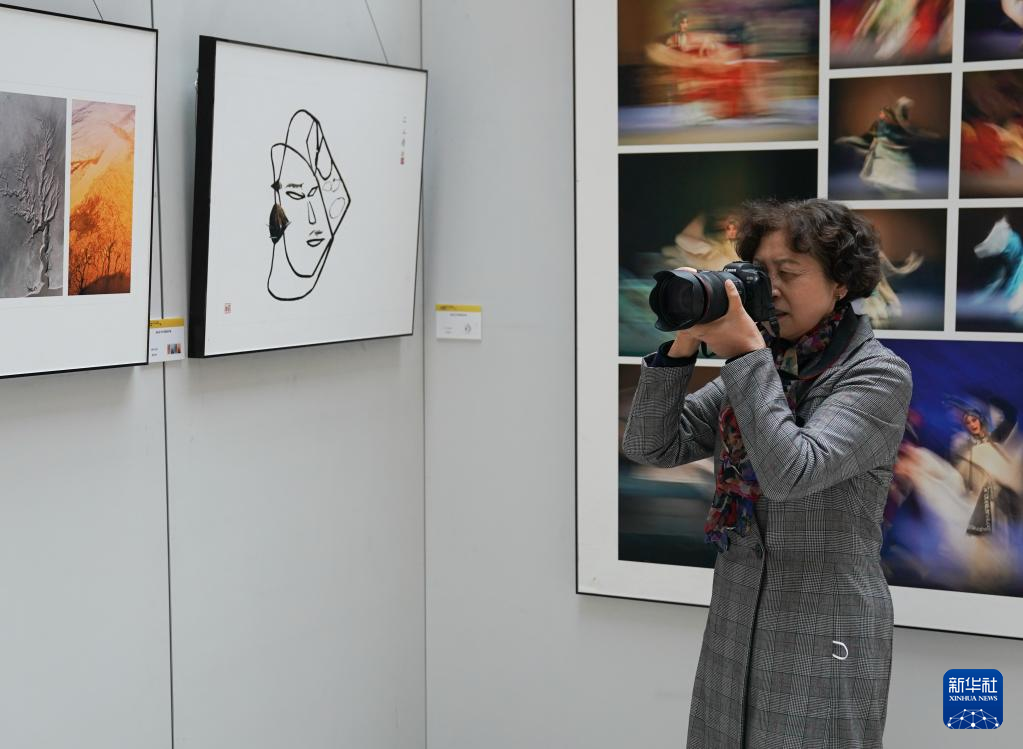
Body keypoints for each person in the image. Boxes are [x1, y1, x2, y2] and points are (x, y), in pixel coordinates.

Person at [623, 199, 913, 748]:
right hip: (737, 614)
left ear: (840, 284)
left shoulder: (876, 375)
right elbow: (651, 445)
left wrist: (744, 354)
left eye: (789, 273)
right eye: (759, 273)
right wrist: (683, 346)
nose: (770, 289)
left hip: (826, 624)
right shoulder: (767, 363)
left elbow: (791, 472)